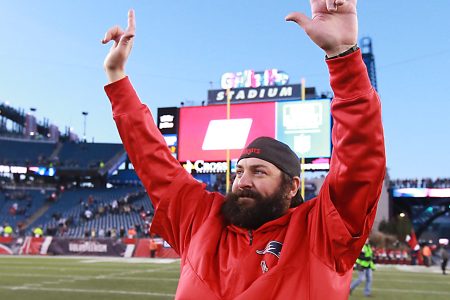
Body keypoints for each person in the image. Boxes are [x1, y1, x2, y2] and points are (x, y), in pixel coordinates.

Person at [102, 0, 385, 299]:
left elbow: (359, 163)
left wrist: (343, 56)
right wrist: (116, 75)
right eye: (239, 171)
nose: (243, 181)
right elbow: (151, 157)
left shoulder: (322, 231)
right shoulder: (201, 221)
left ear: (292, 186)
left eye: (259, 171)